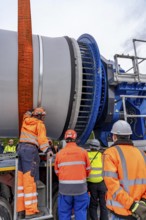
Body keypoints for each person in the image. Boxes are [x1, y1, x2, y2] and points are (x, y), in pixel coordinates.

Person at [103, 120, 146, 220]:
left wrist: (132, 206)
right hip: (138, 213)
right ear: (129, 136)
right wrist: (142, 202)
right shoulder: (142, 154)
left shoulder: (110, 153)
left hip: (120, 212)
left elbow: (113, 187)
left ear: (114, 136)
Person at [17, 107, 53, 219]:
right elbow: (42, 140)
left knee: (21, 180)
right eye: (43, 116)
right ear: (40, 116)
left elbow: (26, 114)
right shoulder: (40, 124)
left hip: (21, 148)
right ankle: (31, 211)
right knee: (29, 180)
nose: (44, 118)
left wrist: (31, 110)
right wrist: (48, 150)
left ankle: (21, 210)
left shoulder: (26, 120)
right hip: (30, 151)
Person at [54, 129, 91, 220]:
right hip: (80, 189)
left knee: (64, 213)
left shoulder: (59, 154)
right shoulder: (83, 152)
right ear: (75, 138)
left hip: (65, 190)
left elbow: (57, 171)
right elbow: (88, 170)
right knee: (81, 212)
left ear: (65, 139)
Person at [87, 139, 109, 220]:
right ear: (98, 147)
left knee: (93, 204)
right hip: (101, 183)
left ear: (90, 146)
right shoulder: (101, 156)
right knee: (103, 204)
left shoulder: (86, 155)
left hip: (91, 184)